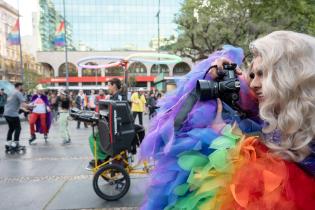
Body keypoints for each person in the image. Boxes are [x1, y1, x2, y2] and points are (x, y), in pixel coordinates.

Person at [140, 32, 315, 209]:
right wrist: (210, 73)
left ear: (290, 75)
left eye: (263, 74)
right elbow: (174, 129)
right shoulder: (268, 119)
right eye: (252, 75)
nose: (254, 84)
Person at [86, 78, 125, 170]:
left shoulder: (118, 97)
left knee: (93, 138)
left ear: (114, 85)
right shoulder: (113, 97)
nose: (108, 88)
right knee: (94, 137)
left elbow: (118, 113)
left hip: (116, 129)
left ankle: (102, 159)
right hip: (111, 126)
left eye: (109, 85)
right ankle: (102, 157)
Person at [3, 83, 28, 151]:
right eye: (22, 86)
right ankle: (15, 144)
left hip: (6, 113)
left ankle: (8, 144)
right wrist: (31, 106)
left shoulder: (11, 92)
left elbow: (12, 103)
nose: (22, 87)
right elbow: (23, 104)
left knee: (11, 128)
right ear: (19, 86)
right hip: (13, 114)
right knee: (18, 128)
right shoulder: (18, 93)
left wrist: (22, 108)